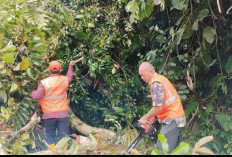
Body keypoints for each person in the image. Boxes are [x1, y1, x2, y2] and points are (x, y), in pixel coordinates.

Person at [138, 62, 186, 153]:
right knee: (176, 151)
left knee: (162, 150)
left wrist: (145, 118)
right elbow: (162, 104)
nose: (142, 77)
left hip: (171, 119)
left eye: (142, 75)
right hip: (175, 117)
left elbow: (158, 107)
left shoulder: (156, 83)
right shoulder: (161, 78)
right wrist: (153, 117)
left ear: (151, 71)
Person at [30, 60, 79, 149]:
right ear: (60, 70)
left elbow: (36, 96)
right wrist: (70, 66)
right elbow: (70, 77)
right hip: (63, 115)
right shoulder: (64, 80)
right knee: (63, 137)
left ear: (49, 70)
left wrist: (32, 92)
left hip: (49, 116)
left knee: (50, 138)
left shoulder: (44, 83)